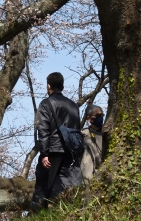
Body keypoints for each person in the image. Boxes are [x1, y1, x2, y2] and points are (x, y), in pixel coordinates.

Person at [32, 72, 81, 211]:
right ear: (62, 86)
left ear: (48, 86)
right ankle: (65, 211)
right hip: (71, 150)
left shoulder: (46, 104)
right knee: (67, 184)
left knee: (44, 186)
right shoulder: (73, 105)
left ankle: (40, 213)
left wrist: (44, 154)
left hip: (53, 150)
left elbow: (43, 130)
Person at [80, 105, 105, 182]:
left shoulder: (108, 133)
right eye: (97, 116)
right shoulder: (83, 135)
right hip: (88, 178)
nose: (100, 118)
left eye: (101, 115)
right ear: (88, 118)